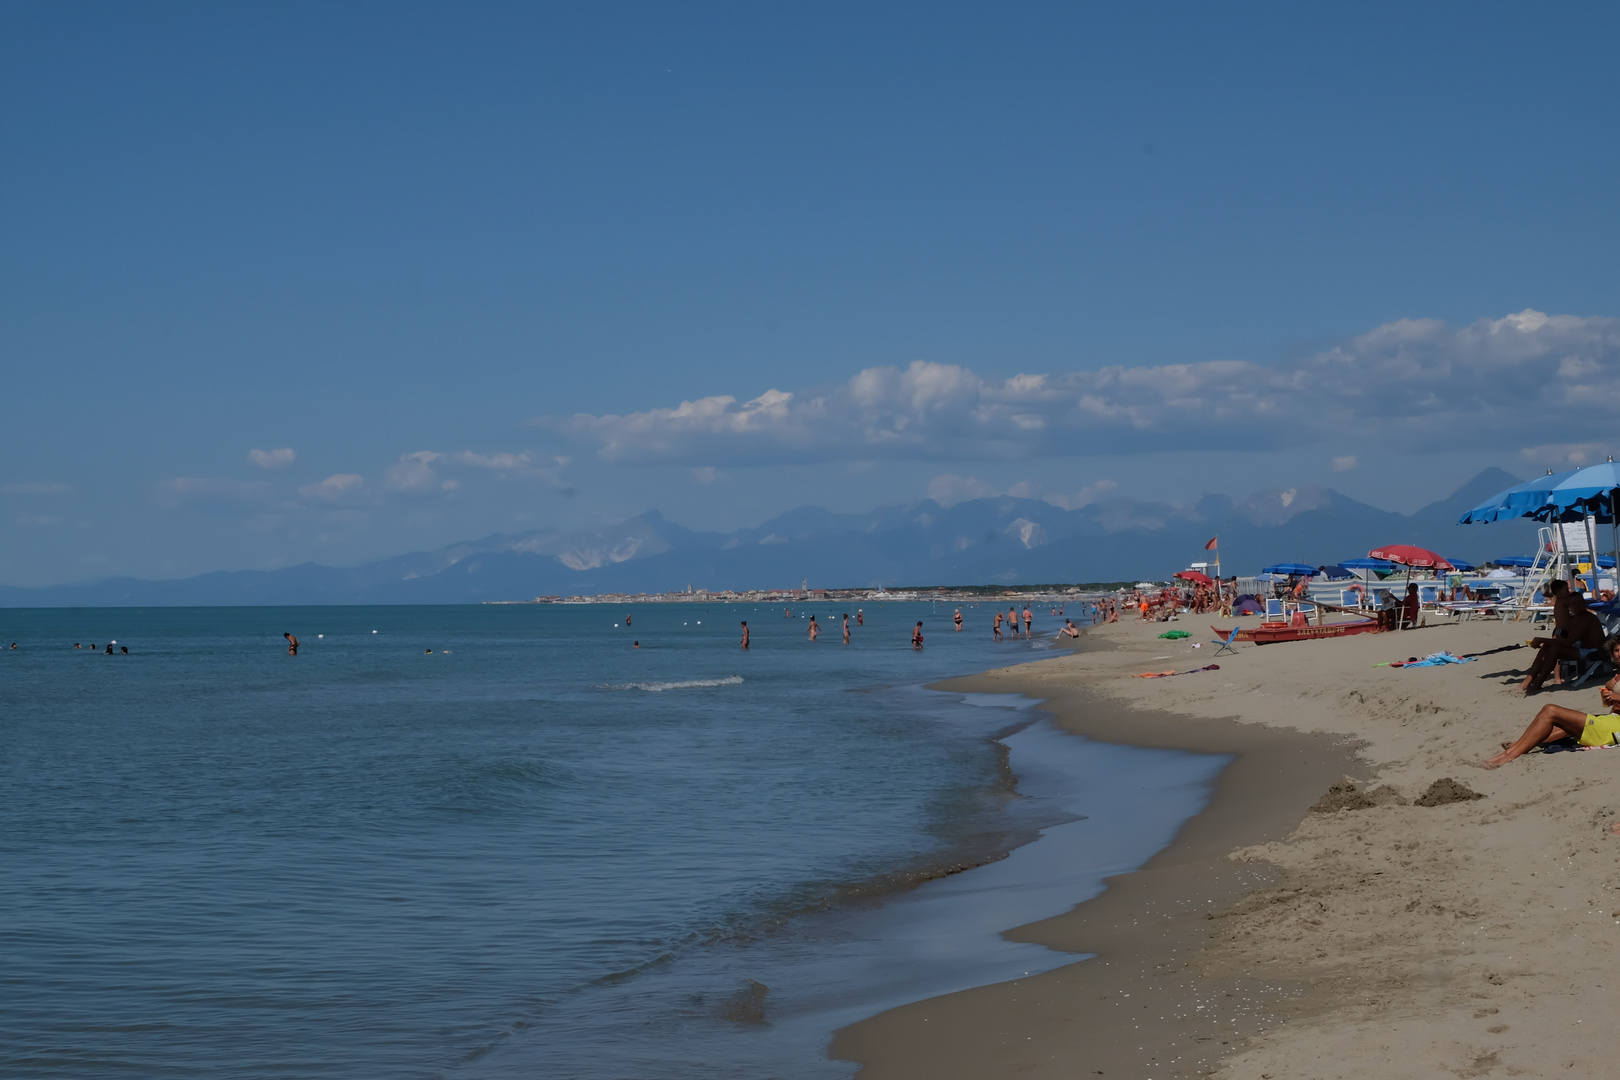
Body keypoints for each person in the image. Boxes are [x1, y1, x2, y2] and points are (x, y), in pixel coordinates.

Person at [1487, 637, 1620, 766]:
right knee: (1562, 724)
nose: (1619, 654)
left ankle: (1510, 755)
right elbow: (1609, 704)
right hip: (1611, 720)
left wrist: (1616, 696)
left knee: (1551, 710)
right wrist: (1608, 692)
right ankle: (1515, 747)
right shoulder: (1617, 674)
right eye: (1616, 650)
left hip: (1615, 728)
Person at [1521, 589, 1606, 693]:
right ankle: (1527, 681)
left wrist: (1542, 640)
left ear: (1584, 603)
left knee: (1555, 649)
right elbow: (1563, 636)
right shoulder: (1574, 618)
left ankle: (1538, 682)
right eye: (1573, 603)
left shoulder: (1587, 619)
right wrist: (1547, 641)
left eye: (1579, 602)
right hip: (1582, 648)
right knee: (1547, 647)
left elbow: (1568, 642)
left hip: (1594, 651)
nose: (1576, 605)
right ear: (1569, 606)